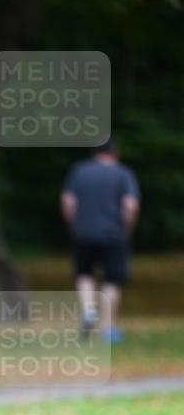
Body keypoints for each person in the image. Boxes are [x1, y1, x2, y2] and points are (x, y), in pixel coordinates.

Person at [61, 139, 140, 343]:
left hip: (83, 233)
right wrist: (127, 229)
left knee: (84, 273)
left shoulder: (79, 171)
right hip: (114, 234)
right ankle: (108, 328)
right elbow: (130, 205)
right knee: (112, 280)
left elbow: (68, 201)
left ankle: (88, 310)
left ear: (94, 152)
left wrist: (74, 225)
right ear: (115, 152)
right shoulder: (122, 173)